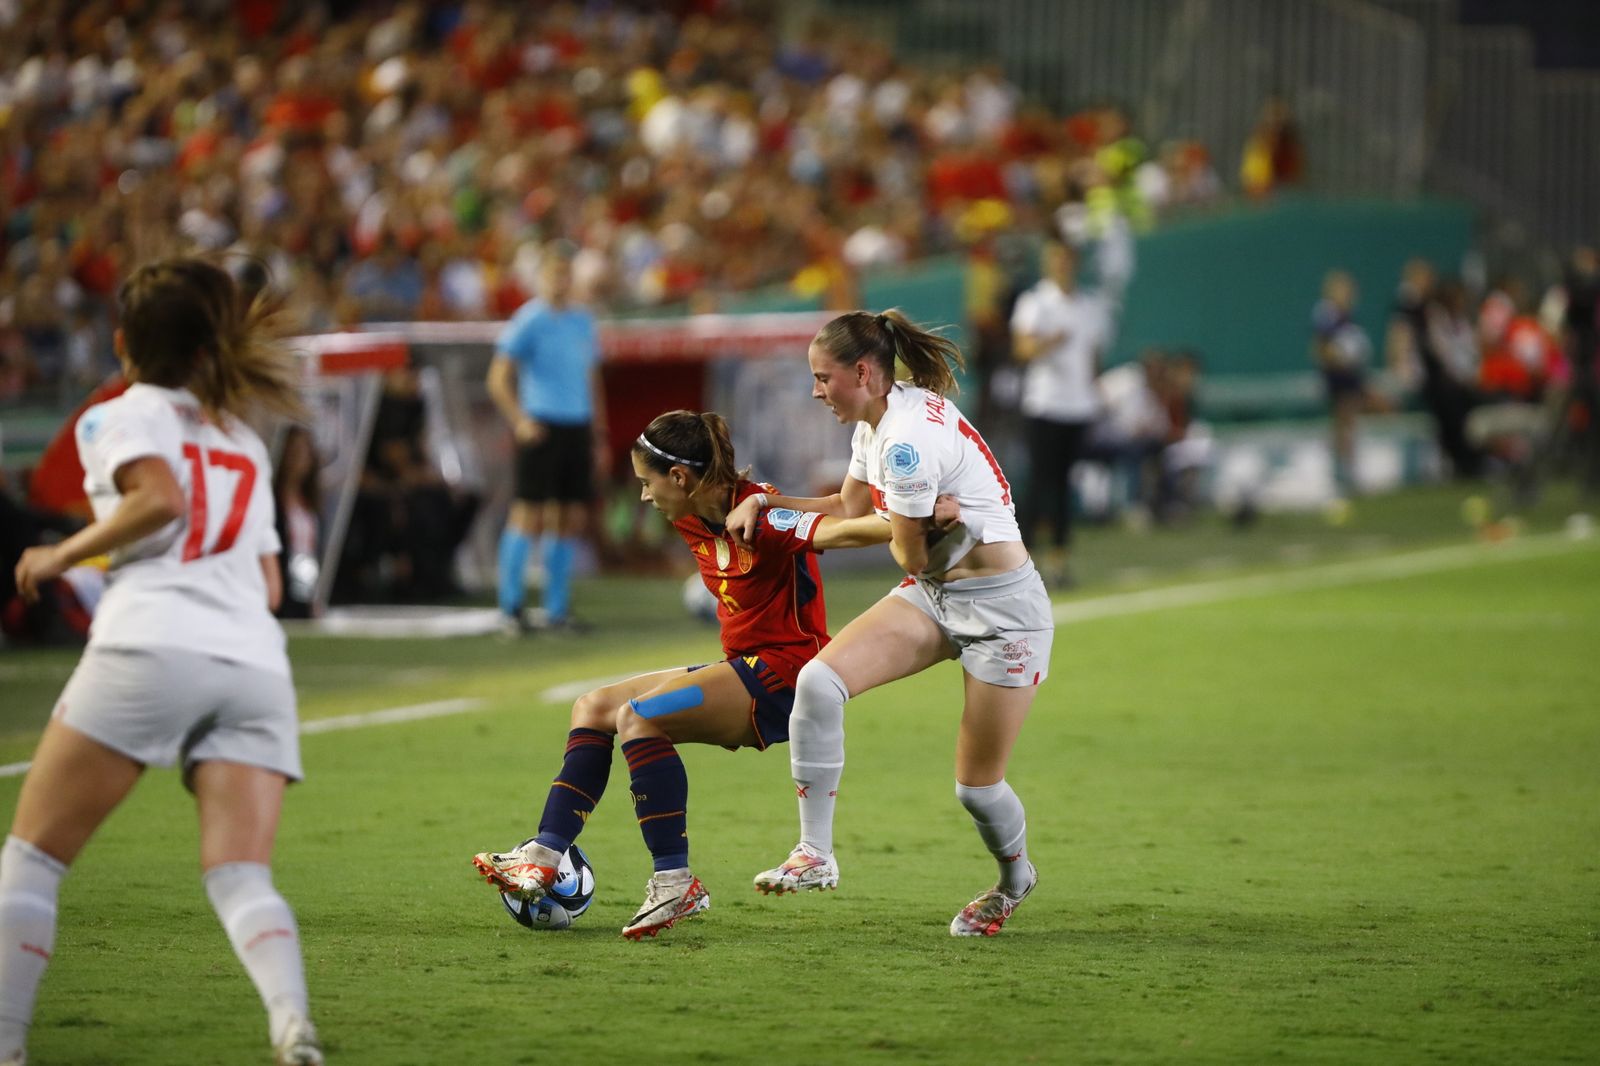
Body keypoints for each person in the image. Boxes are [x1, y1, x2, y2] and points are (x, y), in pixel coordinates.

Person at [3, 258, 321, 1064]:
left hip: (151, 641)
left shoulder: (125, 414)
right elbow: (270, 578)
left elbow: (160, 501)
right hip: (252, 660)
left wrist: (57, 555)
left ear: (122, 345)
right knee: (241, 873)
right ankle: (292, 1027)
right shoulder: (241, 437)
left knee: (32, 859)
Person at [470, 410, 906, 939]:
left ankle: (674, 882)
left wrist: (910, 516)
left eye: (646, 482)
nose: (643, 497)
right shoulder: (692, 512)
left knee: (640, 718)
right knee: (593, 707)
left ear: (679, 478)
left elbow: (855, 530)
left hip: (784, 676)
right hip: (742, 667)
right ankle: (543, 855)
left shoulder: (763, 518)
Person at [726, 309, 1054, 937]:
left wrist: (813, 536)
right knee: (819, 681)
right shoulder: (880, 418)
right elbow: (849, 508)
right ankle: (815, 855)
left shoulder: (905, 440)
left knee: (977, 789)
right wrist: (769, 503)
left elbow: (906, 552)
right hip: (937, 594)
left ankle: (1015, 880)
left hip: (1003, 611)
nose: (816, 391)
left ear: (864, 371)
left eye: (824, 379)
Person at [487, 248, 607, 632]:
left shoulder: (582, 321)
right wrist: (520, 420)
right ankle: (511, 607)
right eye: (555, 273)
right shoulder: (529, 320)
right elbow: (498, 377)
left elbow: (592, 380)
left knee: (569, 517)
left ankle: (557, 609)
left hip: (576, 427)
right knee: (528, 513)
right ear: (541, 277)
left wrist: (598, 433)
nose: (561, 281)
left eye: (565, 273)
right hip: (542, 426)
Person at [1010, 237, 1108, 586]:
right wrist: (1051, 341)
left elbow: (1092, 355)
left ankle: (1059, 560)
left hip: (1078, 406)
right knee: (1040, 484)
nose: (1062, 266)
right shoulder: (1036, 302)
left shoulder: (1089, 305)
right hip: (1045, 403)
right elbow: (1022, 348)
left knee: (1065, 486)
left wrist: (1096, 391)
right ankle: (1022, 563)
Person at [1311, 271, 1375, 497]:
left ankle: (1347, 469)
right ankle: (1340, 471)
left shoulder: (1348, 315)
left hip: (1349, 374)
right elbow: (1321, 348)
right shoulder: (1325, 314)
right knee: (1342, 422)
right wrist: (1340, 358)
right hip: (1337, 375)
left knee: (1349, 422)